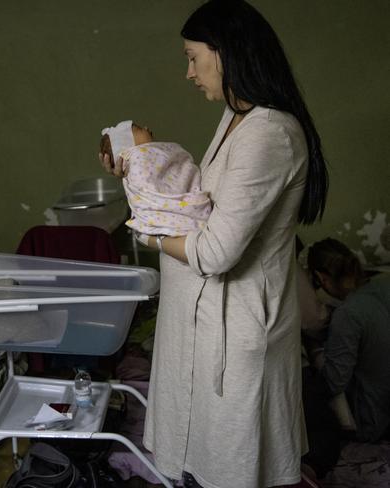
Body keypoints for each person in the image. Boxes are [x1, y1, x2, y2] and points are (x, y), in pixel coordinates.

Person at [99, 1, 328, 486]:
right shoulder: (236, 118)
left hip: (237, 329)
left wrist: (147, 231)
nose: (188, 73)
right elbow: (201, 202)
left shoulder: (269, 134)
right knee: (203, 466)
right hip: (202, 320)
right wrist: (141, 163)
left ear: (225, 53)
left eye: (192, 57)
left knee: (234, 469)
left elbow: (214, 251)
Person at [307, 238, 390, 443]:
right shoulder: (384, 284)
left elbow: (333, 382)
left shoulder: (348, 314)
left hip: (376, 420)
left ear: (321, 278)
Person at [100, 120, 211, 238]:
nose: (146, 128)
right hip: (165, 214)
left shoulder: (152, 154)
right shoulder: (138, 158)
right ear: (127, 145)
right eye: (139, 128)